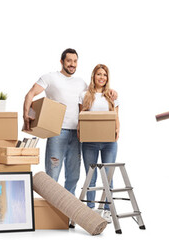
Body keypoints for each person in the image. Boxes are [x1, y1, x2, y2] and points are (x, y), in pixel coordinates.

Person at [22, 48, 117, 194]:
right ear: (62, 61)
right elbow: (30, 94)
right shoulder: (50, 77)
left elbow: (96, 92)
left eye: (75, 61)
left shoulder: (81, 83)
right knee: (53, 174)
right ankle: (50, 206)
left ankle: (67, 207)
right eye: (69, 61)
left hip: (77, 135)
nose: (72, 64)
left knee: (73, 176)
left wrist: (111, 91)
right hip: (57, 132)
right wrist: (26, 114)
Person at [78, 64, 119, 219]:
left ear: (107, 78)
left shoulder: (112, 95)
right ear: (93, 76)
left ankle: (108, 209)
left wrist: (117, 130)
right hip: (90, 142)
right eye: (99, 74)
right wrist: (80, 131)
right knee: (91, 177)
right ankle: (91, 209)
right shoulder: (84, 95)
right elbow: (80, 118)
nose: (102, 77)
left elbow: (116, 117)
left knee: (108, 176)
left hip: (109, 142)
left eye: (104, 75)